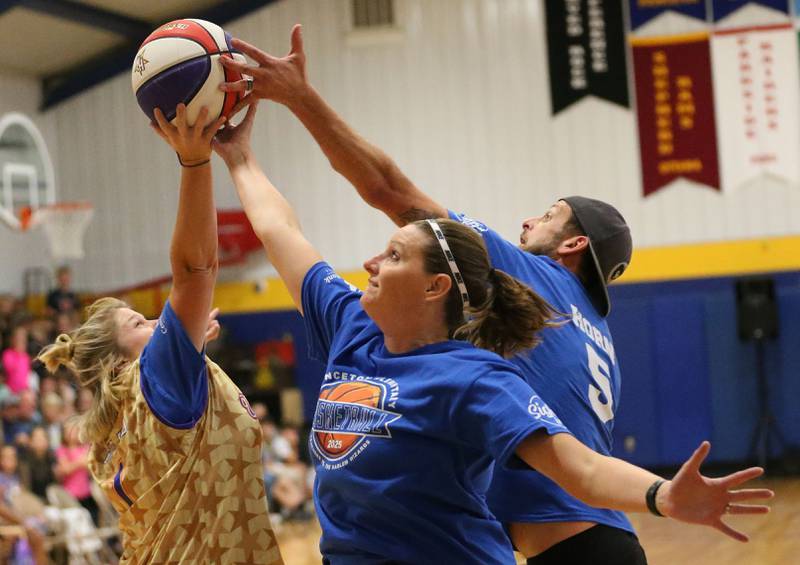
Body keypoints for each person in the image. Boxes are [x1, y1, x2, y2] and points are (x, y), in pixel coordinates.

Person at [213, 103, 772, 564]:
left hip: (562, 538)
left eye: (394, 254)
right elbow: (279, 229)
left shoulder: (490, 352)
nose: (369, 263)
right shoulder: (352, 324)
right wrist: (238, 157)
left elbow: (580, 466)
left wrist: (662, 494)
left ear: (436, 286)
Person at [38, 105, 283, 564]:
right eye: (138, 323)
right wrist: (195, 160)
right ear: (117, 363)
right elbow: (194, 269)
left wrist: (189, 348)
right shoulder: (153, 378)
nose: (154, 323)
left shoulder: (110, 427)